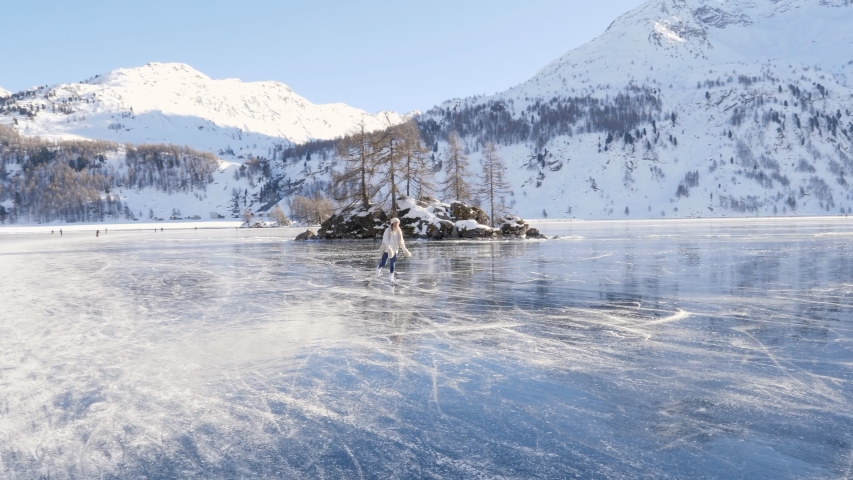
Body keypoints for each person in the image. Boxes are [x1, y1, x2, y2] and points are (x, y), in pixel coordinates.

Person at [376, 218, 411, 283]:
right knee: (384, 263)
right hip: (387, 249)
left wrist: (404, 249)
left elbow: (401, 241)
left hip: (395, 249)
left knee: (393, 263)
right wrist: (389, 248)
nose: (396, 224)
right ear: (392, 223)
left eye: (397, 223)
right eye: (395, 223)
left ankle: (391, 277)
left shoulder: (399, 231)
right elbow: (385, 239)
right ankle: (379, 267)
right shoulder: (387, 230)